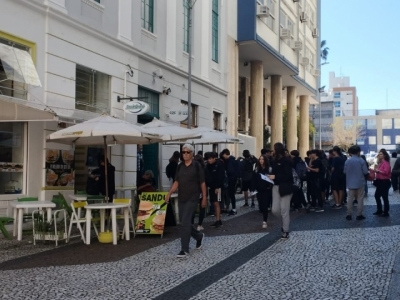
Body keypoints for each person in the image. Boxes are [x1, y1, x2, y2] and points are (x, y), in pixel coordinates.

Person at [165, 144, 206, 258]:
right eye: (183, 152)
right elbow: (176, 182)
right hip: (182, 197)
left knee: (185, 223)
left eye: (188, 152)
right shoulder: (180, 166)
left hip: (193, 197)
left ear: (192, 154)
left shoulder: (197, 166)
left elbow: (202, 182)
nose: (185, 154)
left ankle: (184, 249)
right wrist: (169, 193)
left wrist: (204, 198)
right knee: (185, 222)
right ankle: (199, 236)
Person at [269, 142, 293, 239]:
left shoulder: (286, 161)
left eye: (274, 148)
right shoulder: (274, 160)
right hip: (276, 186)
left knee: (284, 210)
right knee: (275, 210)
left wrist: (275, 176)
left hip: (285, 187)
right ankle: (284, 223)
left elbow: (288, 176)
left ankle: (285, 230)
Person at [344, 146, 369, 220]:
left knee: (350, 198)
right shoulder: (361, 161)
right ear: (358, 152)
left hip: (350, 182)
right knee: (360, 198)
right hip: (360, 182)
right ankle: (359, 214)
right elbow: (365, 171)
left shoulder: (347, 161)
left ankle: (349, 214)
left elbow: (344, 171)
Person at [250, 155, 273, 228]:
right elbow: (253, 180)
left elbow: (272, 179)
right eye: (260, 159)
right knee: (261, 205)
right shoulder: (256, 169)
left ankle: (264, 221)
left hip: (267, 189)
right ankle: (264, 216)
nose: (261, 161)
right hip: (259, 189)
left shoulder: (269, 169)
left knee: (265, 205)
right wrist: (252, 189)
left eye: (262, 159)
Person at [204, 152, 225, 228]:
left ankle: (218, 220)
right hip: (211, 187)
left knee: (217, 203)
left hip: (217, 187)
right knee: (214, 202)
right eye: (208, 159)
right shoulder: (208, 166)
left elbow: (221, 177)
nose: (209, 160)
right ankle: (217, 220)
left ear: (214, 158)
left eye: (210, 159)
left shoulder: (219, 165)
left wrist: (217, 187)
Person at [221, 149, 240, 216]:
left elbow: (230, 170)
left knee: (231, 194)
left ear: (225, 154)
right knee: (231, 194)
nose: (223, 156)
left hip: (231, 179)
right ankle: (233, 208)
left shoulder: (229, 161)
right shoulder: (234, 160)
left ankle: (234, 209)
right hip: (233, 179)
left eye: (223, 155)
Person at [373, 149, 392, 217]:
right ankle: (380, 210)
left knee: (384, 197)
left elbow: (386, 172)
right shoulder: (380, 163)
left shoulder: (386, 163)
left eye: (381, 154)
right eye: (379, 154)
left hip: (384, 182)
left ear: (384, 155)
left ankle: (385, 211)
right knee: (378, 196)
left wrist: (378, 171)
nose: (379, 155)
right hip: (380, 181)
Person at [192, 154, 206, 230]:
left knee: (192, 208)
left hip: (193, 190)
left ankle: (191, 224)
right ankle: (199, 224)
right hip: (201, 190)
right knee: (202, 208)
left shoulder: (192, 168)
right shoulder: (203, 168)